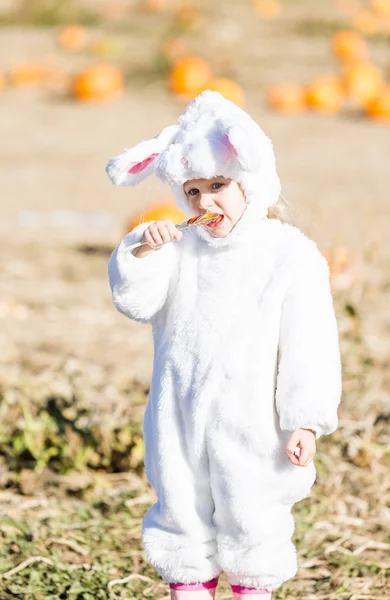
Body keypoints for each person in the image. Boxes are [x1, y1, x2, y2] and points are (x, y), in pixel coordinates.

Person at [106, 91, 342, 600]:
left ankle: (251, 589)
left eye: (218, 185)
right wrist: (141, 253)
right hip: (179, 417)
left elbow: (311, 343)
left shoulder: (288, 255)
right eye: (192, 191)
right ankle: (189, 586)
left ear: (252, 184)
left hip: (255, 422)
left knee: (251, 514)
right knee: (182, 511)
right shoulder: (179, 251)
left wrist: (305, 417)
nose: (204, 202)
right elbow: (137, 303)